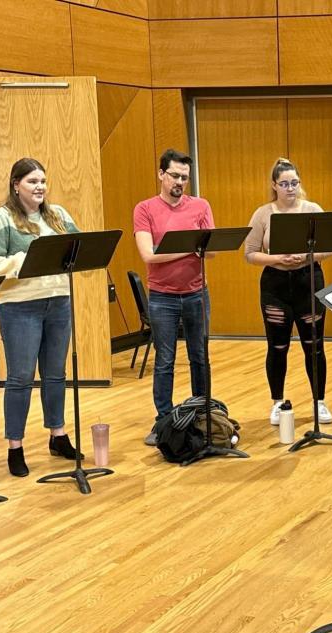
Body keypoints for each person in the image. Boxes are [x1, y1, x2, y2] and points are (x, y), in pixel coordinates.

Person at [0, 158, 81, 477]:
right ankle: (15, 447)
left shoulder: (59, 215)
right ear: (16, 185)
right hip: (20, 306)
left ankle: (58, 435)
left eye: (43, 181)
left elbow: (78, 248)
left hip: (58, 301)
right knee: (20, 378)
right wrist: (27, 257)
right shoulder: (0, 219)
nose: (40, 187)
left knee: (56, 374)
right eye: (32, 181)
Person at [134, 149, 215, 446]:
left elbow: (213, 247)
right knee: (165, 360)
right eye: (175, 176)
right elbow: (149, 255)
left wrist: (197, 246)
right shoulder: (144, 208)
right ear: (161, 174)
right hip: (162, 297)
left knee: (200, 357)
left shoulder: (201, 205)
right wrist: (189, 247)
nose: (181, 182)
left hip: (197, 293)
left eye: (185, 177)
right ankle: (163, 422)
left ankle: (202, 414)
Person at [244, 158, 332, 425]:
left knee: (314, 346)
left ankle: (320, 402)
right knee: (277, 346)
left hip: (309, 282)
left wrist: (306, 257)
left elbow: (329, 247)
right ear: (274, 185)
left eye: (294, 183)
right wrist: (277, 259)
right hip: (276, 286)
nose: (290, 188)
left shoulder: (312, 209)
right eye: (284, 183)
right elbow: (250, 254)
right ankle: (277, 402)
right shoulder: (263, 213)